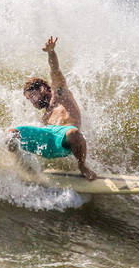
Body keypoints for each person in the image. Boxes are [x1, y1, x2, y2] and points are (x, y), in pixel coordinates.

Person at [8, 36, 97, 180]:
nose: (32, 102)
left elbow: (55, 70)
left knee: (74, 133)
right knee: (11, 134)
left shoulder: (60, 94)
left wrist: (51, 52)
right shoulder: (45, 116)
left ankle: (82, 166)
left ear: (43, 88)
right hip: (47, 140)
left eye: (32, 96)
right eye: (29, 99)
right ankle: (25, 166)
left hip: (63, 139)